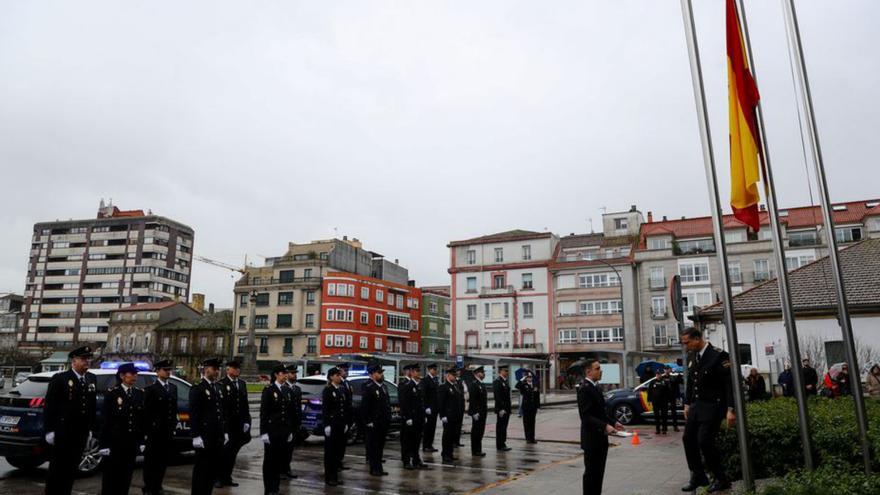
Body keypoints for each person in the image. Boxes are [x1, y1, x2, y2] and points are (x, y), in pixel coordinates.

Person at [680, 327, 735, 493]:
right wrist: (687, 404)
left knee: (704, 441)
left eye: (687, 342)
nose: (686, 346)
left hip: (713, 407)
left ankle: (720, 478)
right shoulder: (693, 356)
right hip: (697, 406)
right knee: (687, 439)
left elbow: (729, 385)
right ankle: (698, 476)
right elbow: (691, 381)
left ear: (697, 339)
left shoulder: (719, 355)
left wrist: (731, 409)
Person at [43, 346, 97, 495]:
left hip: (80, 433)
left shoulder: (91, 378)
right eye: (84, 359)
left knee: (71, 470)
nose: (87, 361)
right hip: (63, 432)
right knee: (57, 470)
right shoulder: (61, 379)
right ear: (74, 361)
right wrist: (49, 430)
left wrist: (91, 428)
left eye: (88, 359)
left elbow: (90, 406)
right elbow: (50, 406)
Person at [578, 359, 625, 495]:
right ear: (589, 371)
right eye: (597, 368)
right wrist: (605, 426)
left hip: (600, 439)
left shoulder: (595, 387)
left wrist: (613, 422)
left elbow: (599, 413)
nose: (601, 370)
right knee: (591, 475)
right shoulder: (584, 389)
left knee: (599, 474)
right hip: (591, 439)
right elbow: (586, 416)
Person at [99, 362, 146, 495]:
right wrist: (104, 444)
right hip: (115, 443)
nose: (135, 376)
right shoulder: (113, 393)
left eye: (136, 374)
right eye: (131, 374)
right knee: (111, 477)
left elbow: (140, 420)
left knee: (126, 477)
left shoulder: (139, 393)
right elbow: (106, 420)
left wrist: (141, 441)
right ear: (122, 376)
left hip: (130, 443)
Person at [189, 358, 228, 495]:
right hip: (204, 436)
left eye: (218, 369)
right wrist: (196, 435)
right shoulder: (198, 388)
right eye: (214, 369)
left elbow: (220, 412)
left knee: (212, 470)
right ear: (206, 370)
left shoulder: (217, 387)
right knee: (201, 470)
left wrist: (224, 432)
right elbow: (194, 414)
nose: (217, 371)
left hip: (216, 436)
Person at [143, 359, 178, 495]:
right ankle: (148, 486)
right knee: (151, 460)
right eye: (165, 370)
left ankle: (157, 485)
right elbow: (147, 412)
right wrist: (147, 431)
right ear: (157, 371)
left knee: (163, 461)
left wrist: (173, 425)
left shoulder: (173, 387)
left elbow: (173, 409)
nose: (168, 372)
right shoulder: (151, 389)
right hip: (155, 431)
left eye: (169, 369)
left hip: (167, 430)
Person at [217, 360, 251, 488]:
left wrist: (246, 421)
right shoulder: (222, 384)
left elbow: (245, 404)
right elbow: (221, 407)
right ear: (228, 369)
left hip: (239, 425)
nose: (237, 370)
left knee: (232, 454)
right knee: (223, 454)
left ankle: (227, 477)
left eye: (238, 368)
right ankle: (219, 478)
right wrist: (223, 427)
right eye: (234, 368)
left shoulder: (242, 384)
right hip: (227, 425)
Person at [259, 364, 293, 495]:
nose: (285, 375)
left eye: (286, 373)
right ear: (276, 375)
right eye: (283, 373)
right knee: (270, 462)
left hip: (283, 432)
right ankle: (269, 489)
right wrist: (264, 432)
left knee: (279, 462)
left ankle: (276, 488)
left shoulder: (287, 390)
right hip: (272, 431)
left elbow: (288, 413)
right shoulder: (269, 390)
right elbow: (264, 413)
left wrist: (289, 431)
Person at [361, 363, 392, 476]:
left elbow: (386, 404)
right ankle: (374, 468)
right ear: (373, 374)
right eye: (379, 373)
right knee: (374, 447)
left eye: (381, 373)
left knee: (380, 447)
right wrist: (368, 421)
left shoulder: (383, 387)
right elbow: (365, 406)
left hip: (383, 422)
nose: (381, 375)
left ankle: (379, 467)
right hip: (374, 422)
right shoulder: (369, 388)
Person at [399, 363, 428, 470]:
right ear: (411, 372)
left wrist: (423, 415)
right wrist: (407, 417)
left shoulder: (418, 385)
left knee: (416, 441)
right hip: (411, 418)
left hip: (418, 418)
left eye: (419, 371)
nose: (418, 373)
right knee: (408, 441)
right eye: (416, 371)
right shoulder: (407, 386)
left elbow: (421, 403)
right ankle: (406, 461)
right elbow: (404, 403)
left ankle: (416, 460)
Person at [322, 367, 347, 486]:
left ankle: (335, 477)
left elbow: (343, 408)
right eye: (337, 375)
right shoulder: (328, 390)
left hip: (340, 425)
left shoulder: (341, 389)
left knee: (337, 453)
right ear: (331, 377)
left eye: (339, 374)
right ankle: (329, 477)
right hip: (332, 425)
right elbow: (326, 410)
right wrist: (327, 425)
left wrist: (345, 423)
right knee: (330, 454)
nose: (339, 377)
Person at [437, 367, 464, 464]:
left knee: (452, 436)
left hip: (455, 416)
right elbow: (441, 403)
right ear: (448, 376)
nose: (455, 377)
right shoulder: (443, 387)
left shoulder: (454, 386)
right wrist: (443, 415)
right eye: (453, 375)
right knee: (447, 437)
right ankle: (445, 455)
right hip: (448, 416)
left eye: (455, 375)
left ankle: (450, 454)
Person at [282, 364, 303, 479]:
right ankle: (281, 470)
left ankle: (287, 469)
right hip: (285, 423)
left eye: (295, 373)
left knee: (290, 449)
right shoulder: (283, 388)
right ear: (286, 374)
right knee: (283, 449)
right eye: (292, 373)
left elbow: (298, 407)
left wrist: (299, 423)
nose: (294, 375)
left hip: (294, 424)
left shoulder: (297, 389)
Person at [467, 366, 488, 457]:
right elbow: (473, 399)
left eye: (483, 372)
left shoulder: (481, 384)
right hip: (477, 412)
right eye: (482, 372)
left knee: (480, 432)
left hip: (482, 412)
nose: (483, 374)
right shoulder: (474, 384)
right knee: (476, 432)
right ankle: (475, 450)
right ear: (476, 373)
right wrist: (474, 412)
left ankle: (478, 449)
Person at [337, 362, 354, 471]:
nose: (346, 372)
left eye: (347, 370)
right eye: (344, 370)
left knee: (343, 442)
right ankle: (337, 462)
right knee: (338, 443)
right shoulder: (339, 384)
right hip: (340, 417)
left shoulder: (347, 383)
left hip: (347, 416)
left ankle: (340, 461)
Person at [420, 363, 440, 453]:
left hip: (434, 408)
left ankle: (430, 444)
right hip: (429, 409)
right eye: (434, 369)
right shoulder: (425, 380)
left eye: (436, 370)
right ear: (429, 370)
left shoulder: (435, 380)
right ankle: (425, 445)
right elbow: (423, 395)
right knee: (427, 428)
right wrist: (426, 407)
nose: (435, 371)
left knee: (432, 427)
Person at [516, 372, 540, 444]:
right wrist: (522, 379)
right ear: (526, 378)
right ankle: (528, 438)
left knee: (532, 423)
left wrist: (538, 406)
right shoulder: (523, 385)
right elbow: (517, 386)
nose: (530, 378)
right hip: (526, 407)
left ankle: (532, 438)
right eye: (528, 377)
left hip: (533, 407)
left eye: (530, 377)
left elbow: (537, 397)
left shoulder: (535, 385)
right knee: (526, 423)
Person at [493, 365, 513, 451]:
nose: (507, 372)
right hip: (502, 409)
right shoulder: (498, 381)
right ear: (500, 371)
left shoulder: (505, 381)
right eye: (505, 371)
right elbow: (497, 396)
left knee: (504, 427)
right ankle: (500, 445)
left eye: (507, 371)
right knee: (500, 427)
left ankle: (503, 443)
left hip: (506, 409)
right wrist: (501, 409)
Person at [648, 369, 671, 435]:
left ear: (661, 375)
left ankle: (664, 429)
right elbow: (649, 392)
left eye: (659, 374)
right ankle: (657, 429)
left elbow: (668, 391)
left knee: (664, 416)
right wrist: (649, 400)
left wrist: (668, 400)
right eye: (657, 374)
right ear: (656, 375)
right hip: (655, 402)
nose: (658, 375)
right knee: (656, 416)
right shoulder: (652, 382)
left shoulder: (664, 382)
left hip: (664, 402)